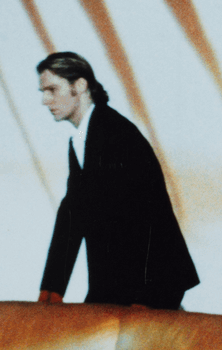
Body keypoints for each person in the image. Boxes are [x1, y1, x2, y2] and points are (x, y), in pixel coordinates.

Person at [36, 51, 199, 309]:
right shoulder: (80, 141)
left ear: (79, 85)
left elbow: (144, 213)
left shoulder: (115, 132)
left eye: (52, 90)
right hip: (118, 284)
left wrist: (145, 297)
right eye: (43, 92)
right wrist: (52, 289)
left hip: (151, 282)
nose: (45, 100)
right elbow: (71, 214)